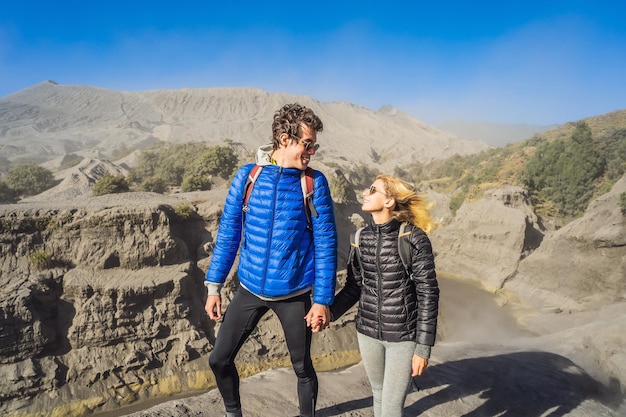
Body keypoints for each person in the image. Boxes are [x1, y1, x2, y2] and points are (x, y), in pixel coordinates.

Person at [204, 103, 337, 417]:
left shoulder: (313, 184)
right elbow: (228, 234)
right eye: (308, 144)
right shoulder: (248, 177)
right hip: (249, 289)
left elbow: (327, 244)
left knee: (302, 367)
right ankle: (233, 413)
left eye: (314, 145)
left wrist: (321, 300)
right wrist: (214, 286)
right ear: (284, 139)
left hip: (295, 294)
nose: (312, 151)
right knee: (218, 360)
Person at [315, 174, 439, 417]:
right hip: (367, 333)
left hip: (403, 337)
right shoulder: (360, 238)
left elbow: (428, 294)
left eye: (373, 189)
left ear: (390, 201)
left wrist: (423, 349)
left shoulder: (413, 239)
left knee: (392, 407)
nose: (365, 192)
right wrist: (329, 313)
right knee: (379, 392)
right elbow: (354, 287)